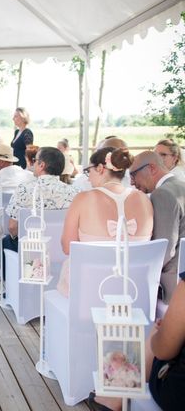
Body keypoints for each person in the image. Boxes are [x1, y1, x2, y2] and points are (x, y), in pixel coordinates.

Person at [57, 148, 153, 297]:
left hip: (89, 289)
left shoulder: (83, 199)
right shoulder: (144, 199)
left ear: (101, 168)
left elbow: (67, 248)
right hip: (133, 289)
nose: (88, 178)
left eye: (89, 171)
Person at [89, 272, 185, 411]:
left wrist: (157, 336)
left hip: (178, 395)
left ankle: (118, 395)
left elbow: (164, 351)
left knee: (160, 333)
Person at [129, 151, 185, 303]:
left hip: (172, 286)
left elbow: (165, 249)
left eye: (133, 175)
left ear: (152, 169)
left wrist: (136, 270)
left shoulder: (162, 194)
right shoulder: (181, 185)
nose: (132, 182)